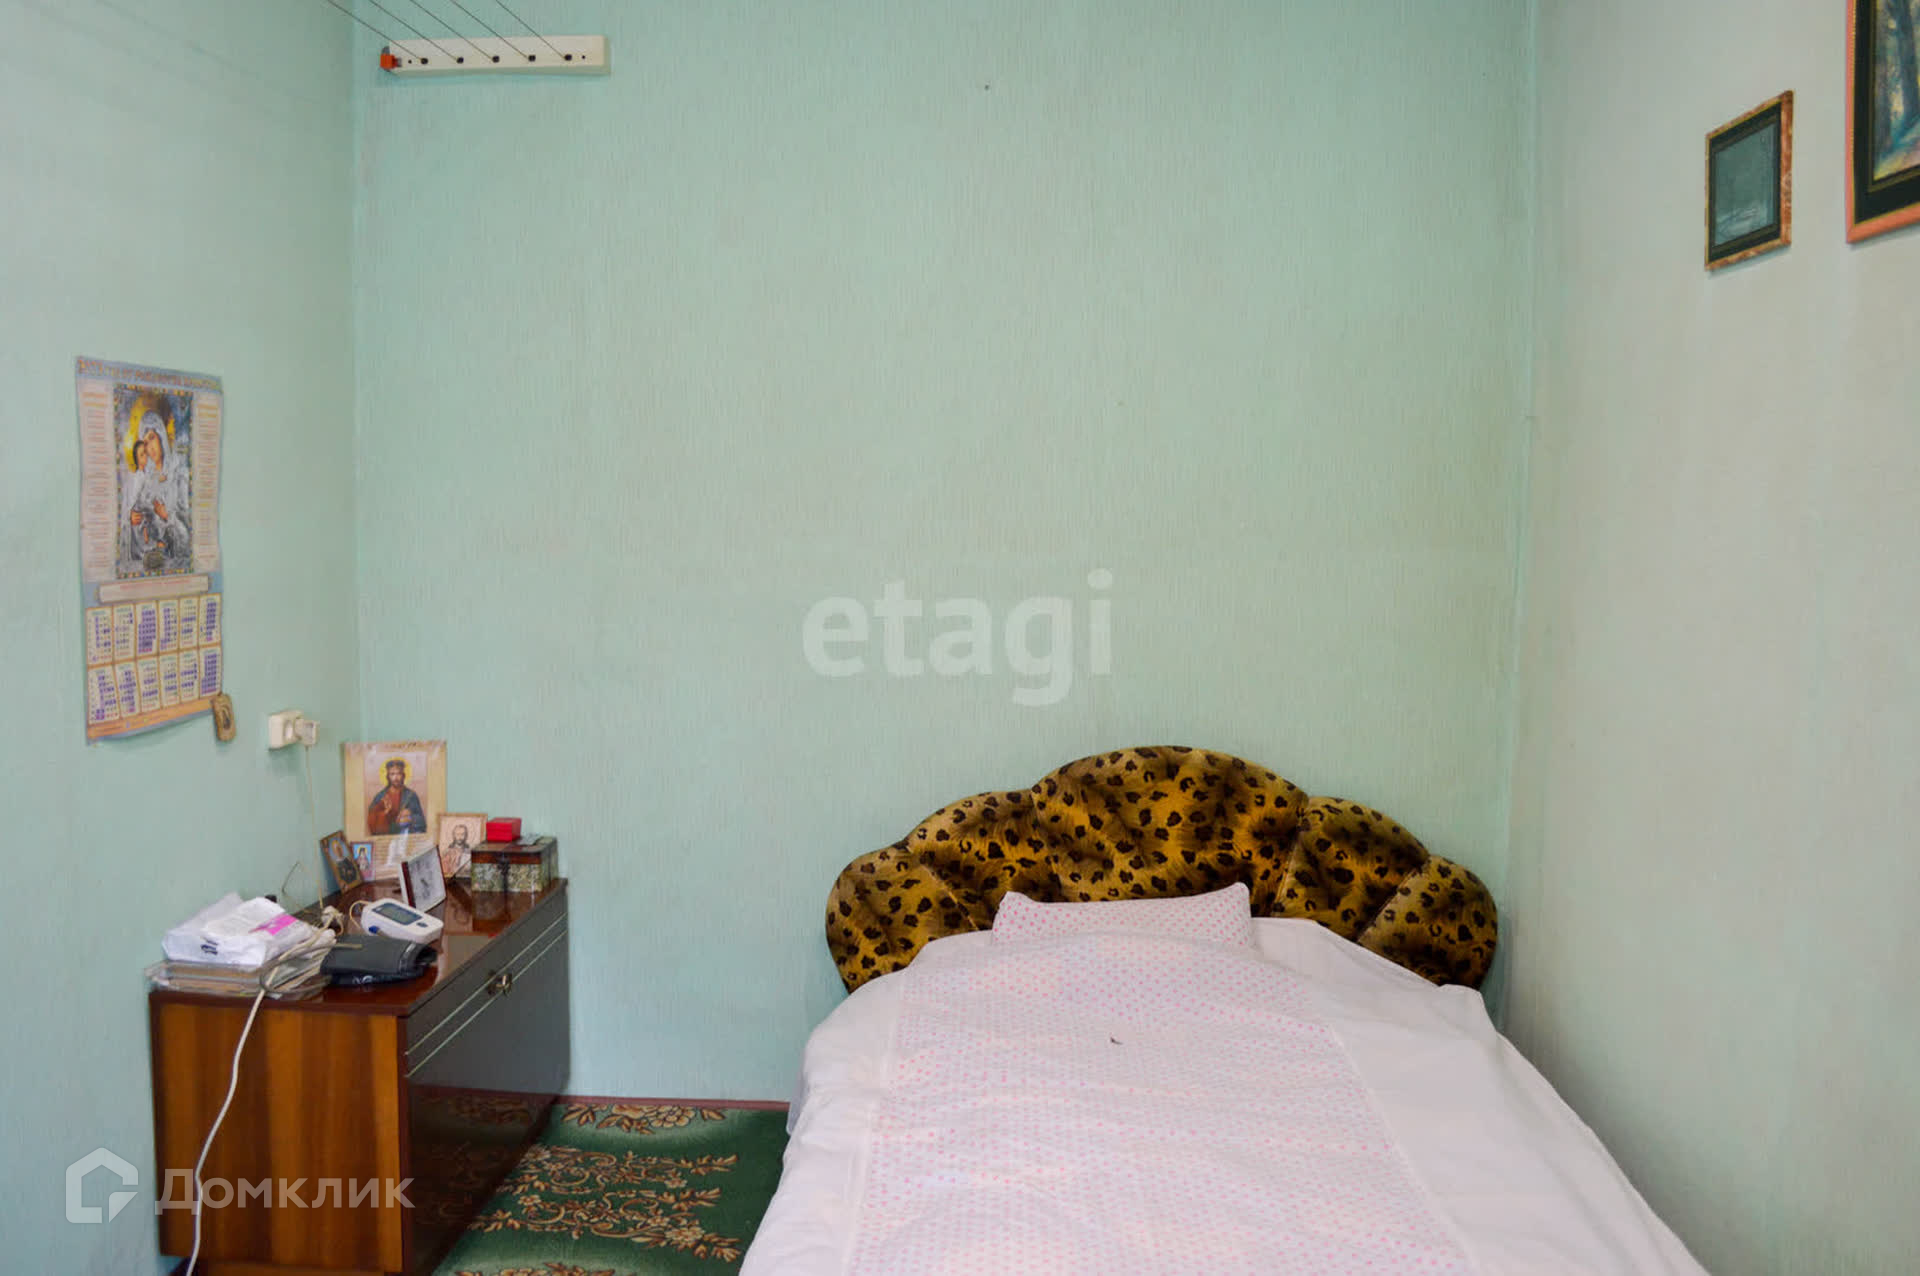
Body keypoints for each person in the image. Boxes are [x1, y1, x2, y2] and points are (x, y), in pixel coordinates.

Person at [367, 758, 428, 835]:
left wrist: (410, 816)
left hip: (406, 836)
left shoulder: (411, 795)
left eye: (399, 774)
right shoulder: (381, 796)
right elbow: (372, 819)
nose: (395, 778)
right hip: (386, 837)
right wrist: (385, 813)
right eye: (392, 774)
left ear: (403, 776)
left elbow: (422, 822)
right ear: (388, 776)